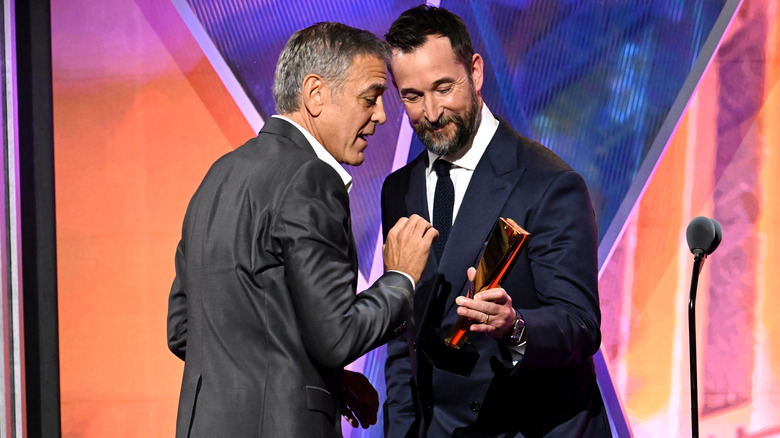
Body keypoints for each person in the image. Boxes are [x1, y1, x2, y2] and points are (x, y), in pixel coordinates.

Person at [166, 22, 438, 438]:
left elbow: (185, 331)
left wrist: (321, 382)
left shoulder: (218, 176)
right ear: (315, 94)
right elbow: (338, 334)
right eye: (371, 97)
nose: (382, 115)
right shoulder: (311, 179)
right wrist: (401, 279)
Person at [381, 6, 611, 437]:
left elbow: (580, 326)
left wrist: (514, 326)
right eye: (412, 96)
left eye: (443, 88)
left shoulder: (549, 183)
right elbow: (403, 337)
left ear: (476, 72)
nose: (431, 111)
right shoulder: (399, 189)